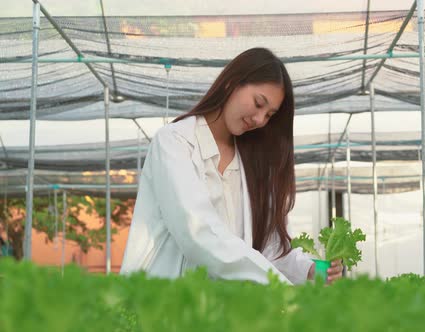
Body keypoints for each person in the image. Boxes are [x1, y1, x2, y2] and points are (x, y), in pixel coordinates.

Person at [120, 48, 343, 285]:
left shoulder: (253, 164)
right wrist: (278, 287)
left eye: (269, 115)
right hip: (164, 304)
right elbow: (197, 233)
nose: (259, 120)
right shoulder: (175, 143)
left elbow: (267, 249)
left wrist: (307, 269)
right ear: (231, 83)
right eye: (258, 103)